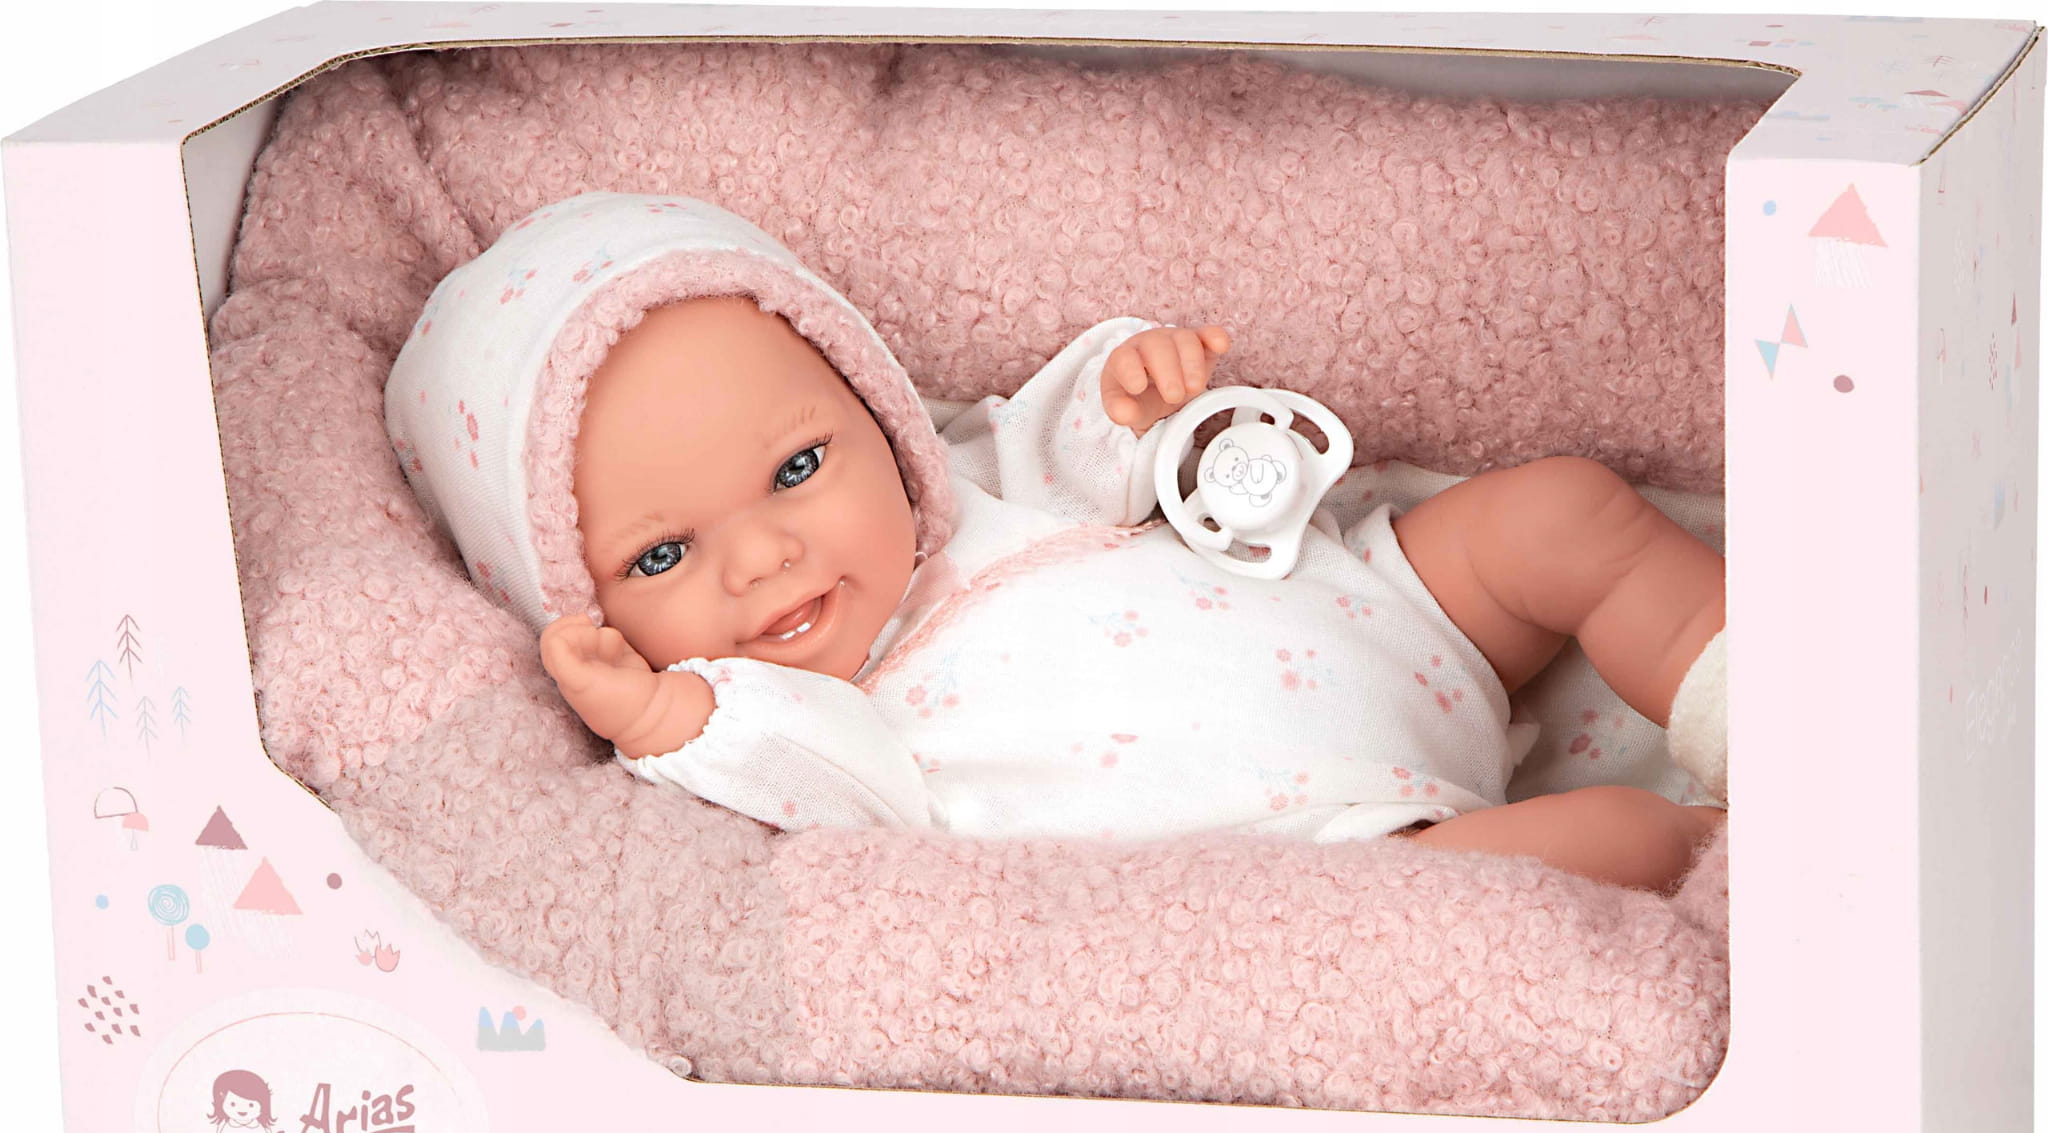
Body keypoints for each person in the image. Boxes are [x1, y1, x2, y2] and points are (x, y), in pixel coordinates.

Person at [387, 194, 1726, 893]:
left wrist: (1127, 401)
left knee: (1562, 514)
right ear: (577, 607)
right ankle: (1737, 859)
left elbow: (1074, 453)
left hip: (1385, 611)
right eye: (661, 557)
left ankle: (1768, 717)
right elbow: (806, 779)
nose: (762, 560)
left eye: (798, 469)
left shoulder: (970, 488)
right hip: (1336, 847)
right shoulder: (812, 728)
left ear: (877, 410)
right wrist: (672, 721)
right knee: (1617, 837)